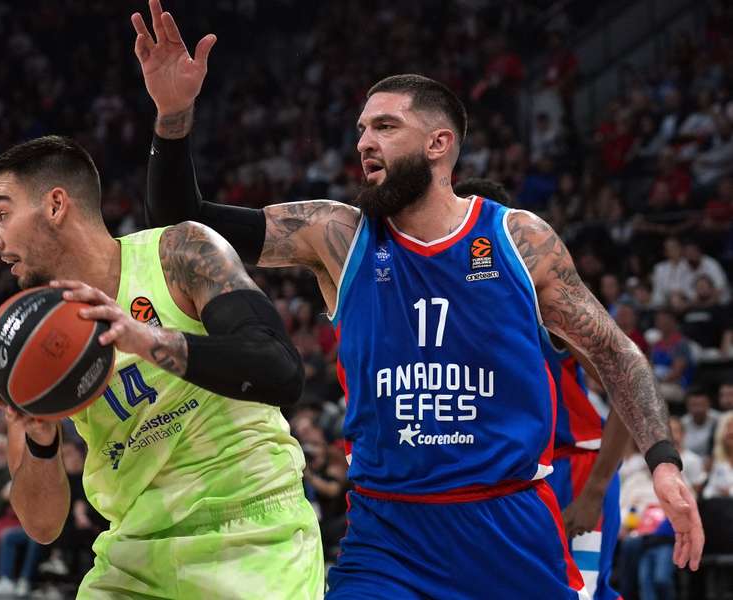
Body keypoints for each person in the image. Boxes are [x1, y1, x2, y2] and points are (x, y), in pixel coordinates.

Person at [134, 1, 703, 597]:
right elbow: (178, 226)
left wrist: (663, 462)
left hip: (507, 531)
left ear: (438, 143)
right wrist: (173, 118)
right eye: (360, 129)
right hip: (388, 537)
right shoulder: (337, 236)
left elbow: (616, 353)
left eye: (384, 127)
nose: (364, 142)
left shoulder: (518, 238)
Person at [0, 134, 323, 599]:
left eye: (2, 214)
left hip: (252, 535)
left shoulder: (178, 252)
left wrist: (145, 339)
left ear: (55, 205)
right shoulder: (34, 335)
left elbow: (279, 369)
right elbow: (42, 526)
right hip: (134, 555)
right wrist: (40, 439)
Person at [454, 178, 625, 600]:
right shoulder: (460, 311)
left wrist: (595, 494)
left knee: (583, 595)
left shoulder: (546, 304)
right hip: (512, 480)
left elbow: (628, 388)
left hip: (577, 470)